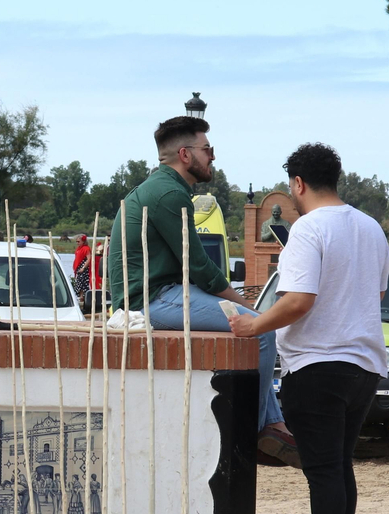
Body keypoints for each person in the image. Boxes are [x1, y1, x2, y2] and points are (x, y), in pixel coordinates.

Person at [229, 143, 388, 514]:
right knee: (339, 467)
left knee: (322, 471)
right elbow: (374, 296)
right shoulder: (371, 228)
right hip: (364, 365)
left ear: (297, 185)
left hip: (317, 364)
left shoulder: (307, 230)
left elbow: (299, 300)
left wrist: (253, 325)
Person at [107, 115, 292, 460]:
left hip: (164, 293)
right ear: (185, 154)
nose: (213, 156)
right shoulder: (167, 194)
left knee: (255, 325)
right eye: (208, 149)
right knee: (261, 331)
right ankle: (254, 428)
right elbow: (199, 267)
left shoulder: (163, 188)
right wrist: (248, 310)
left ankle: (272, 425)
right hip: (151, 301)